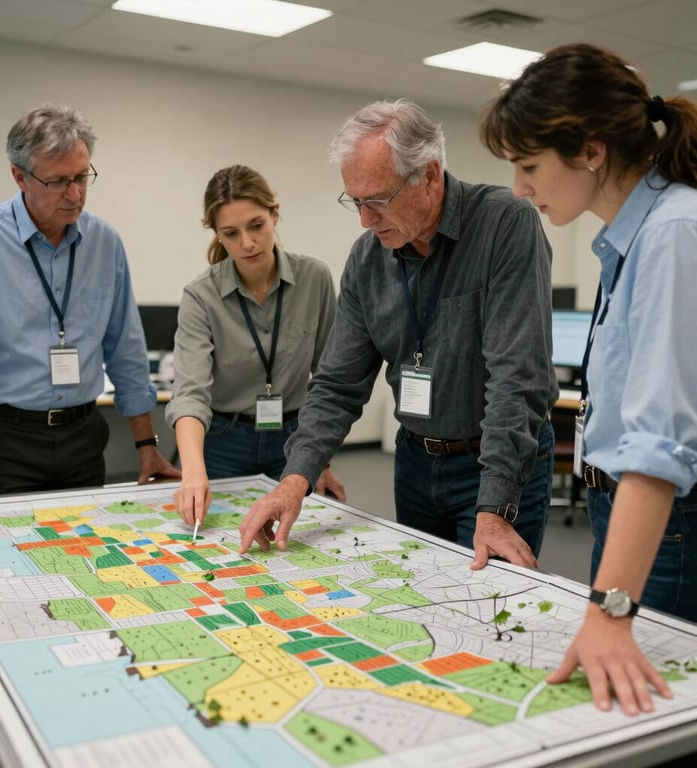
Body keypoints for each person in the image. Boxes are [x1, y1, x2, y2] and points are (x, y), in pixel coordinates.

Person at [0, 103, 180, 767]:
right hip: (2, 440)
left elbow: (127, 349)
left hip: (80, 438)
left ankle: (62, 741)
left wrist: (148, 445)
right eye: (58, 180)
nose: (74, 193)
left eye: (83, 177)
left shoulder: (104, 242)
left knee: (79, 597)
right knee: (3, 609)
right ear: (19, 176)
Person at [239, 99, 558, 569]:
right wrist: (294, 479)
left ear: (429, 174)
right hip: (415, 464)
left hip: (495, 463)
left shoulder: (505, 224)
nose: (365, 220)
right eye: (355, 201)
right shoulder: (368, 258)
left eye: (378, 200)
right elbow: (336, 384)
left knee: (490, 609)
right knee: (423, 601)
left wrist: (493, 506)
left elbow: (517, 377)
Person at [480, 42, 697, 716]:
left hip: (669, 529)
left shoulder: (673, 234)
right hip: (619, 512)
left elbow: (660, 444)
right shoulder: (629, 238)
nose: (519, 188)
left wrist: (612, 610)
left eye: (528, 166)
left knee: (646, 720)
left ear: (592, 151)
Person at [166, 164, 345, 529]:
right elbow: (190, 394)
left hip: (294, 440)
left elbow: (329, 380)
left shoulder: (315, 278)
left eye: (256, 226)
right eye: (230, 233)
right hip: (223, 442)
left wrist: (320, 461)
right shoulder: (201, 296)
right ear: (216, 234)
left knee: (294, 549)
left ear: (275, 214)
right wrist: (193, 472)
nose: (246, 243)